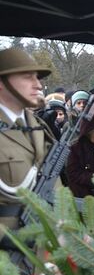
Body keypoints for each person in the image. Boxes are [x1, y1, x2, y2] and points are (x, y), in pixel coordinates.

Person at [0, 48, 54, 232]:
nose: (38, 85)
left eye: (37, 77)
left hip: (46, 240)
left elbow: (54, 186)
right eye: (27, 77)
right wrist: (8, 239)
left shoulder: (38, 127)